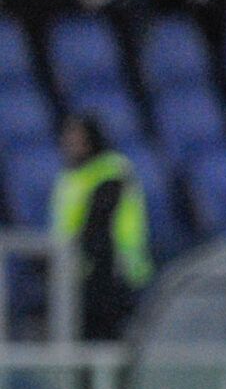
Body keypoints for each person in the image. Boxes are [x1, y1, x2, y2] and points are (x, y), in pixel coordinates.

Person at [49, 112, 152, 342]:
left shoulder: (112, 170)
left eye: (76, 137)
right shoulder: (68, 177)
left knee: (109, 346)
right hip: (77, 274)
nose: (69, 142)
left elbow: (98, 224)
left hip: (115, 273)